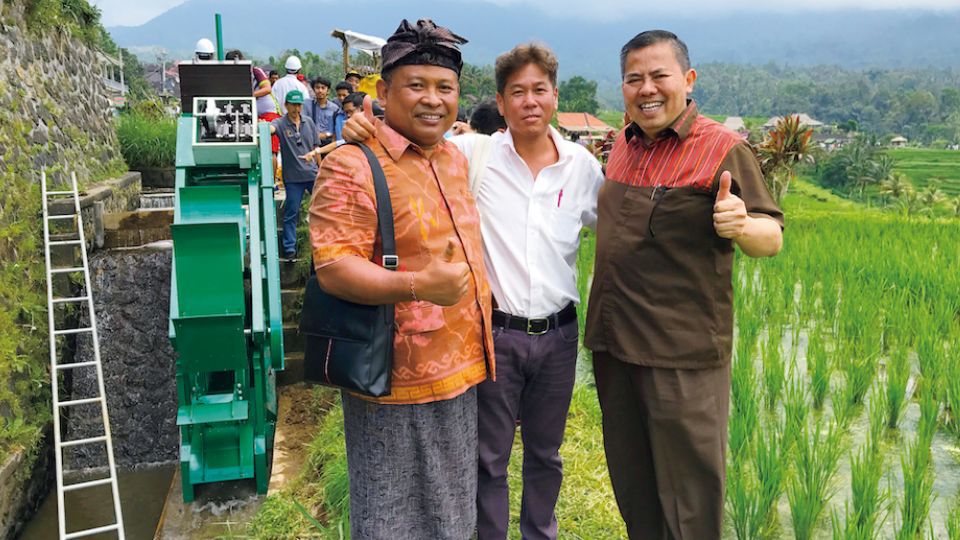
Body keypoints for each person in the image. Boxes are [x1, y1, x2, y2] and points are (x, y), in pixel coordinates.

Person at [342, 43, 603, 540]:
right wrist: (364, 127)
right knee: (489, 457)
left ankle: (539, 532)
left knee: (547, 454)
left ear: (554, 96)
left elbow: (616, 225)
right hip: (496, 334)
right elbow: (409, 144)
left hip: (558, 334)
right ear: (500, 103)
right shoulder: (469, 155)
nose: (530, 101)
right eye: (517, 92)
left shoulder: (582, 167)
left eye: (540, 91)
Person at [583, 30, 784, 539]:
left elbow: (771, 237)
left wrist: (741, 224)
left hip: (680, 356)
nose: (646, 88)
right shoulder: (622, 147)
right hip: (615, 346)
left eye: (659, 76)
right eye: (634, 79)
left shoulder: (722, 149)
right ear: (623, 87)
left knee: (688, 498)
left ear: (687, 80)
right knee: (635, 485)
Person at [307, 19, 494, 540]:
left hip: (462, 369)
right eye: (417, 86)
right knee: (392, 514)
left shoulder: (455, 157)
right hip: (396, 376)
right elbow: (334, 266)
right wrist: (418, 286)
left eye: (445, 88)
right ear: (383, 92)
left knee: (453, 512)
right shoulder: (352, 164)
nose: (433, 100)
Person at [269, 89, 320, 260]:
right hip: (293, 178)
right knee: (291, 212)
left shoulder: (309, 122)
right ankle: (289, 248)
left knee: (324, 208)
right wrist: (262, 127)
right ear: (286, 105)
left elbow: (316, 148)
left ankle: (324, 242)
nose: (296, 108)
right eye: (293, 105)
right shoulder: (281, 123)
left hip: (313, 174)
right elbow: (270, 128)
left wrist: (322, 170)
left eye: (299, 105)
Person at [304, 76, 339, 147]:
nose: (320, 91)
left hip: (328, 142)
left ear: (328, 90)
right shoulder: (307, 105)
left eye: (323, 88)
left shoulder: (334, 108)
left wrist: (326, 135)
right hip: (311, 142)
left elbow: (335, 129)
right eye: (317, 87)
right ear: (313, 89)